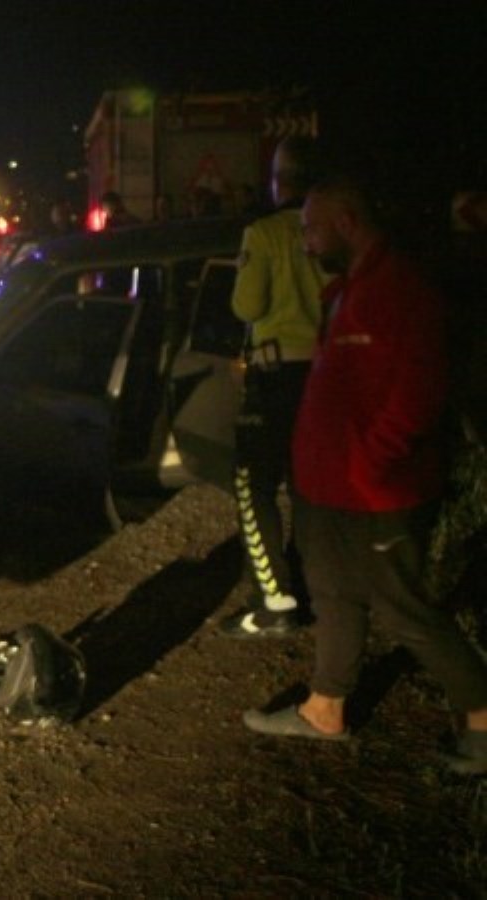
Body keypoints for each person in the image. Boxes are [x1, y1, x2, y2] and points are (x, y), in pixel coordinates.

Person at [242, 174, 487, 775]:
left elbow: (419, 392)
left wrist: (373, 458)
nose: (304, 243)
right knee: (333, 593)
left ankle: (484, 721)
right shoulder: (350, 288)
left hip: (379, 491)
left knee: (403, 609)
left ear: (347, 221)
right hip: (333, 489)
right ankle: (325, 708)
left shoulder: (400, 289)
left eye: (310, 230)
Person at [219, 136, 329, 638]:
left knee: (252, 485)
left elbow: (247, 307)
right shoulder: (328, 230)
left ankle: (276, 600)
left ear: (277, 182)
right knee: (308, 487)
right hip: (325, 377)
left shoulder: (262, 234)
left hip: (275, 376)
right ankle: (314, 586)